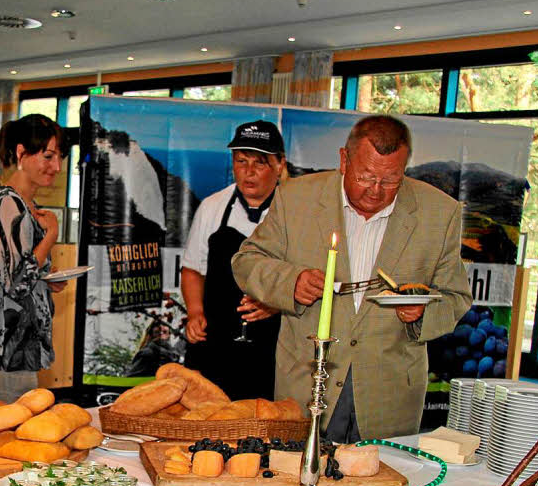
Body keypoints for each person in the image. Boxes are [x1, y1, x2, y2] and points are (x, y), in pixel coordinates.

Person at [232, 115, 471, 441]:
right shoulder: (295, 198)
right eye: (366, 176)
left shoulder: (440, 213)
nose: (375, 191)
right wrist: (292, 281)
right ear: (344, 159)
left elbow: (457, 296)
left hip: (390, 396)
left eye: (391, 180)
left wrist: (422, 313)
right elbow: (247, 261)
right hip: (305, 383)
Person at [181, 120, 285, 399]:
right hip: (216, 344)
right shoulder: (213, 207)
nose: (248, 172)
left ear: (280, 165)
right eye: (241, 161)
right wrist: (194, 312)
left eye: (260, 163)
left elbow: (308, 278)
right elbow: (192, 269)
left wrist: (277, 303)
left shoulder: (297, 211)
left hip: (272, 347)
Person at [0, 114, 68, 402]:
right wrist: (51, 236)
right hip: (5, 352)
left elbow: (21, 271)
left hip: (21, 349)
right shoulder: (7, 204)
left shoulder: (25, 205)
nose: (57, 167)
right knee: (8, 439)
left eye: (59, 157)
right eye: (48, 156)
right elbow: (15, 284)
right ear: (21, 153)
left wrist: (47, 281)